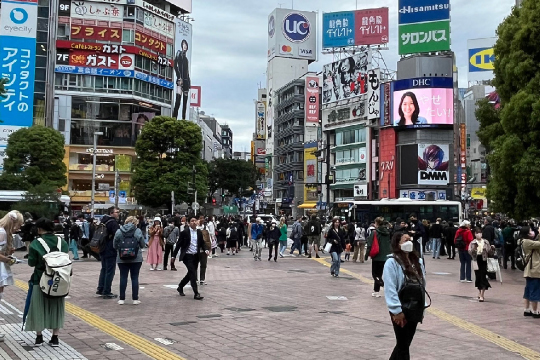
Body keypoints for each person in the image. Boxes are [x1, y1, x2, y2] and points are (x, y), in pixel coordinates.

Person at [25, 217, 68, 347]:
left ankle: (39, 337)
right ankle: (55, 337)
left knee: (38, 306)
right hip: (59, 280)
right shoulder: (62, 242)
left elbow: (31, 262)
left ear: (39, 229)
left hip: (40, 279)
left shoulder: (36, 243)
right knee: (57, 307)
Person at [383, 232, 427, 360]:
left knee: (404, 344)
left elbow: (422, 284)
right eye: (405, 240)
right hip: (400, 307)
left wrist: (422, 307)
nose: (409, 242)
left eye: (409, 239)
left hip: (415, 307)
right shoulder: (392, 262)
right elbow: (390, 287)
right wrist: (396, 310)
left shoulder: (417, 261)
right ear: (398, 244)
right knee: (403, 346)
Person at [173, 215, 209, 300]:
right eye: (192, 221)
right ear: (189, 223)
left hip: (196, 256)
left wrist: (206, 249)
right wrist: (173, 256)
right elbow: (178, 244)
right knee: (193, 273)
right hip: (187, 256)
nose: (194, 222)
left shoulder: (199, 232)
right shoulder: (185, 232)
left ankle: (180, 286)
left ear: (197, 222)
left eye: (195, 221)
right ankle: (196, 293)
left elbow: (202, 243)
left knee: (190, 273)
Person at [113, 216, 145, 305]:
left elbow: (114, 245)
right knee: (134, 278)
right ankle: (135, 299)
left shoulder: (119, 231)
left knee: (123, 277)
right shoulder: (137, 231)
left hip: (122, 258)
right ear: (135, 222)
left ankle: (122, 299)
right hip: (136, 258)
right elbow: (142, 244)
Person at [97, 207, 120, 299]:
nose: (118, 214)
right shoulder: (113, 223)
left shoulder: (103, 221)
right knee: (110, 270)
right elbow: (118, 235)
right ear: (111, 213)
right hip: (110, 249)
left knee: (104, 269)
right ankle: (107, 291)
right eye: (117, 212)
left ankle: (101, 288)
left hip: (102, 247)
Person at [366, 217, 392, 297]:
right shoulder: (388, 232)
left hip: (377, 256)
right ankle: (376, 291)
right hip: (386, 256)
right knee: (380, 274)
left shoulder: (374, 232)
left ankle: (382, 285)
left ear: (376, 223)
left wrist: (366, 255)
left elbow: (369, 244)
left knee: (375, 275)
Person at [469, 227, 495, 302]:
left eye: (480, 233)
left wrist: (492, 249)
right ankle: (480, 292)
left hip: (483, 260)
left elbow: (490, 252)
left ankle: (482, 294)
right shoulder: (473, 242)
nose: (479, 234)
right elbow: (470, 252)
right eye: (477, 233)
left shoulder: (485, 242)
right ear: (475, 234)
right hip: (476, 260)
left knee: (483, 276)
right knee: (478, 276)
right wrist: (474, 249)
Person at [522, 226, 540, 318]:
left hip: (530, 270)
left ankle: (527, 309)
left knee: (528, 290)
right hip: (534, 270)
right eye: (531, 231)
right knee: (535, 290)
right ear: (527, 233)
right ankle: (535, 311)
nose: (533, 232)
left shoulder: (525, 241)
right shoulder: (527, 242)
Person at [172, 39, 191, 120]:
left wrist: (189, 83)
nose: (185, 46)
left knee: (185, 104)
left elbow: (187, 72)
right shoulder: (178, 53)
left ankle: (183, 119)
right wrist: (179, 77)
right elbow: (175, 65)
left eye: (186, 45)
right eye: (183, 44)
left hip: (186, 82)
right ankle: (174, 119)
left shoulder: (186, 59)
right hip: (180, 81)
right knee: (178, 101)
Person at [197, 218, 212, 285]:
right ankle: (195, 279)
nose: (201, 220)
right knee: (195, 265)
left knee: (203, 265)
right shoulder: (193, 229)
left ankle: (202, 279)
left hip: (204, 249)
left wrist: (209, 247)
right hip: (195, 250)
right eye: (200, 219)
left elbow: (209, 238)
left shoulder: (206, 227)